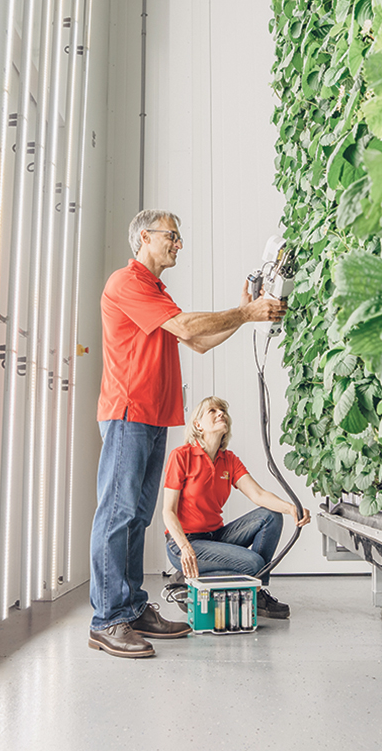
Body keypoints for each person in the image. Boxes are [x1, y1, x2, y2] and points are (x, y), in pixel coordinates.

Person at [88, 210, 286, 659]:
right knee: (117, 515)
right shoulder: (127, 282)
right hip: (127, 414)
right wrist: (246, 310)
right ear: (144, 237)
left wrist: (245, 316)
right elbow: (186, 328)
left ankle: (132, 608)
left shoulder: (157, 291)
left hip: (156, 417)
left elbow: (198, 340)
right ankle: (107, 620)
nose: (179, 244)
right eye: (171, 236)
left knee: (137, 517)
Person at [160, 396, 310, 619]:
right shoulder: (182, 456)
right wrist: (185, 548)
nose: (221, 413)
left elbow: (258, 495)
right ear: (198, 425)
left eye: (223, 411)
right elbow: (168, 511)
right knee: (253, 563)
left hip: (215, 537)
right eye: (212, 411)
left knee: (271, 516)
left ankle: (255, 592)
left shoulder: (228, 460)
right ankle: (186, 580)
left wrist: (291, 508)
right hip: (184, 542)